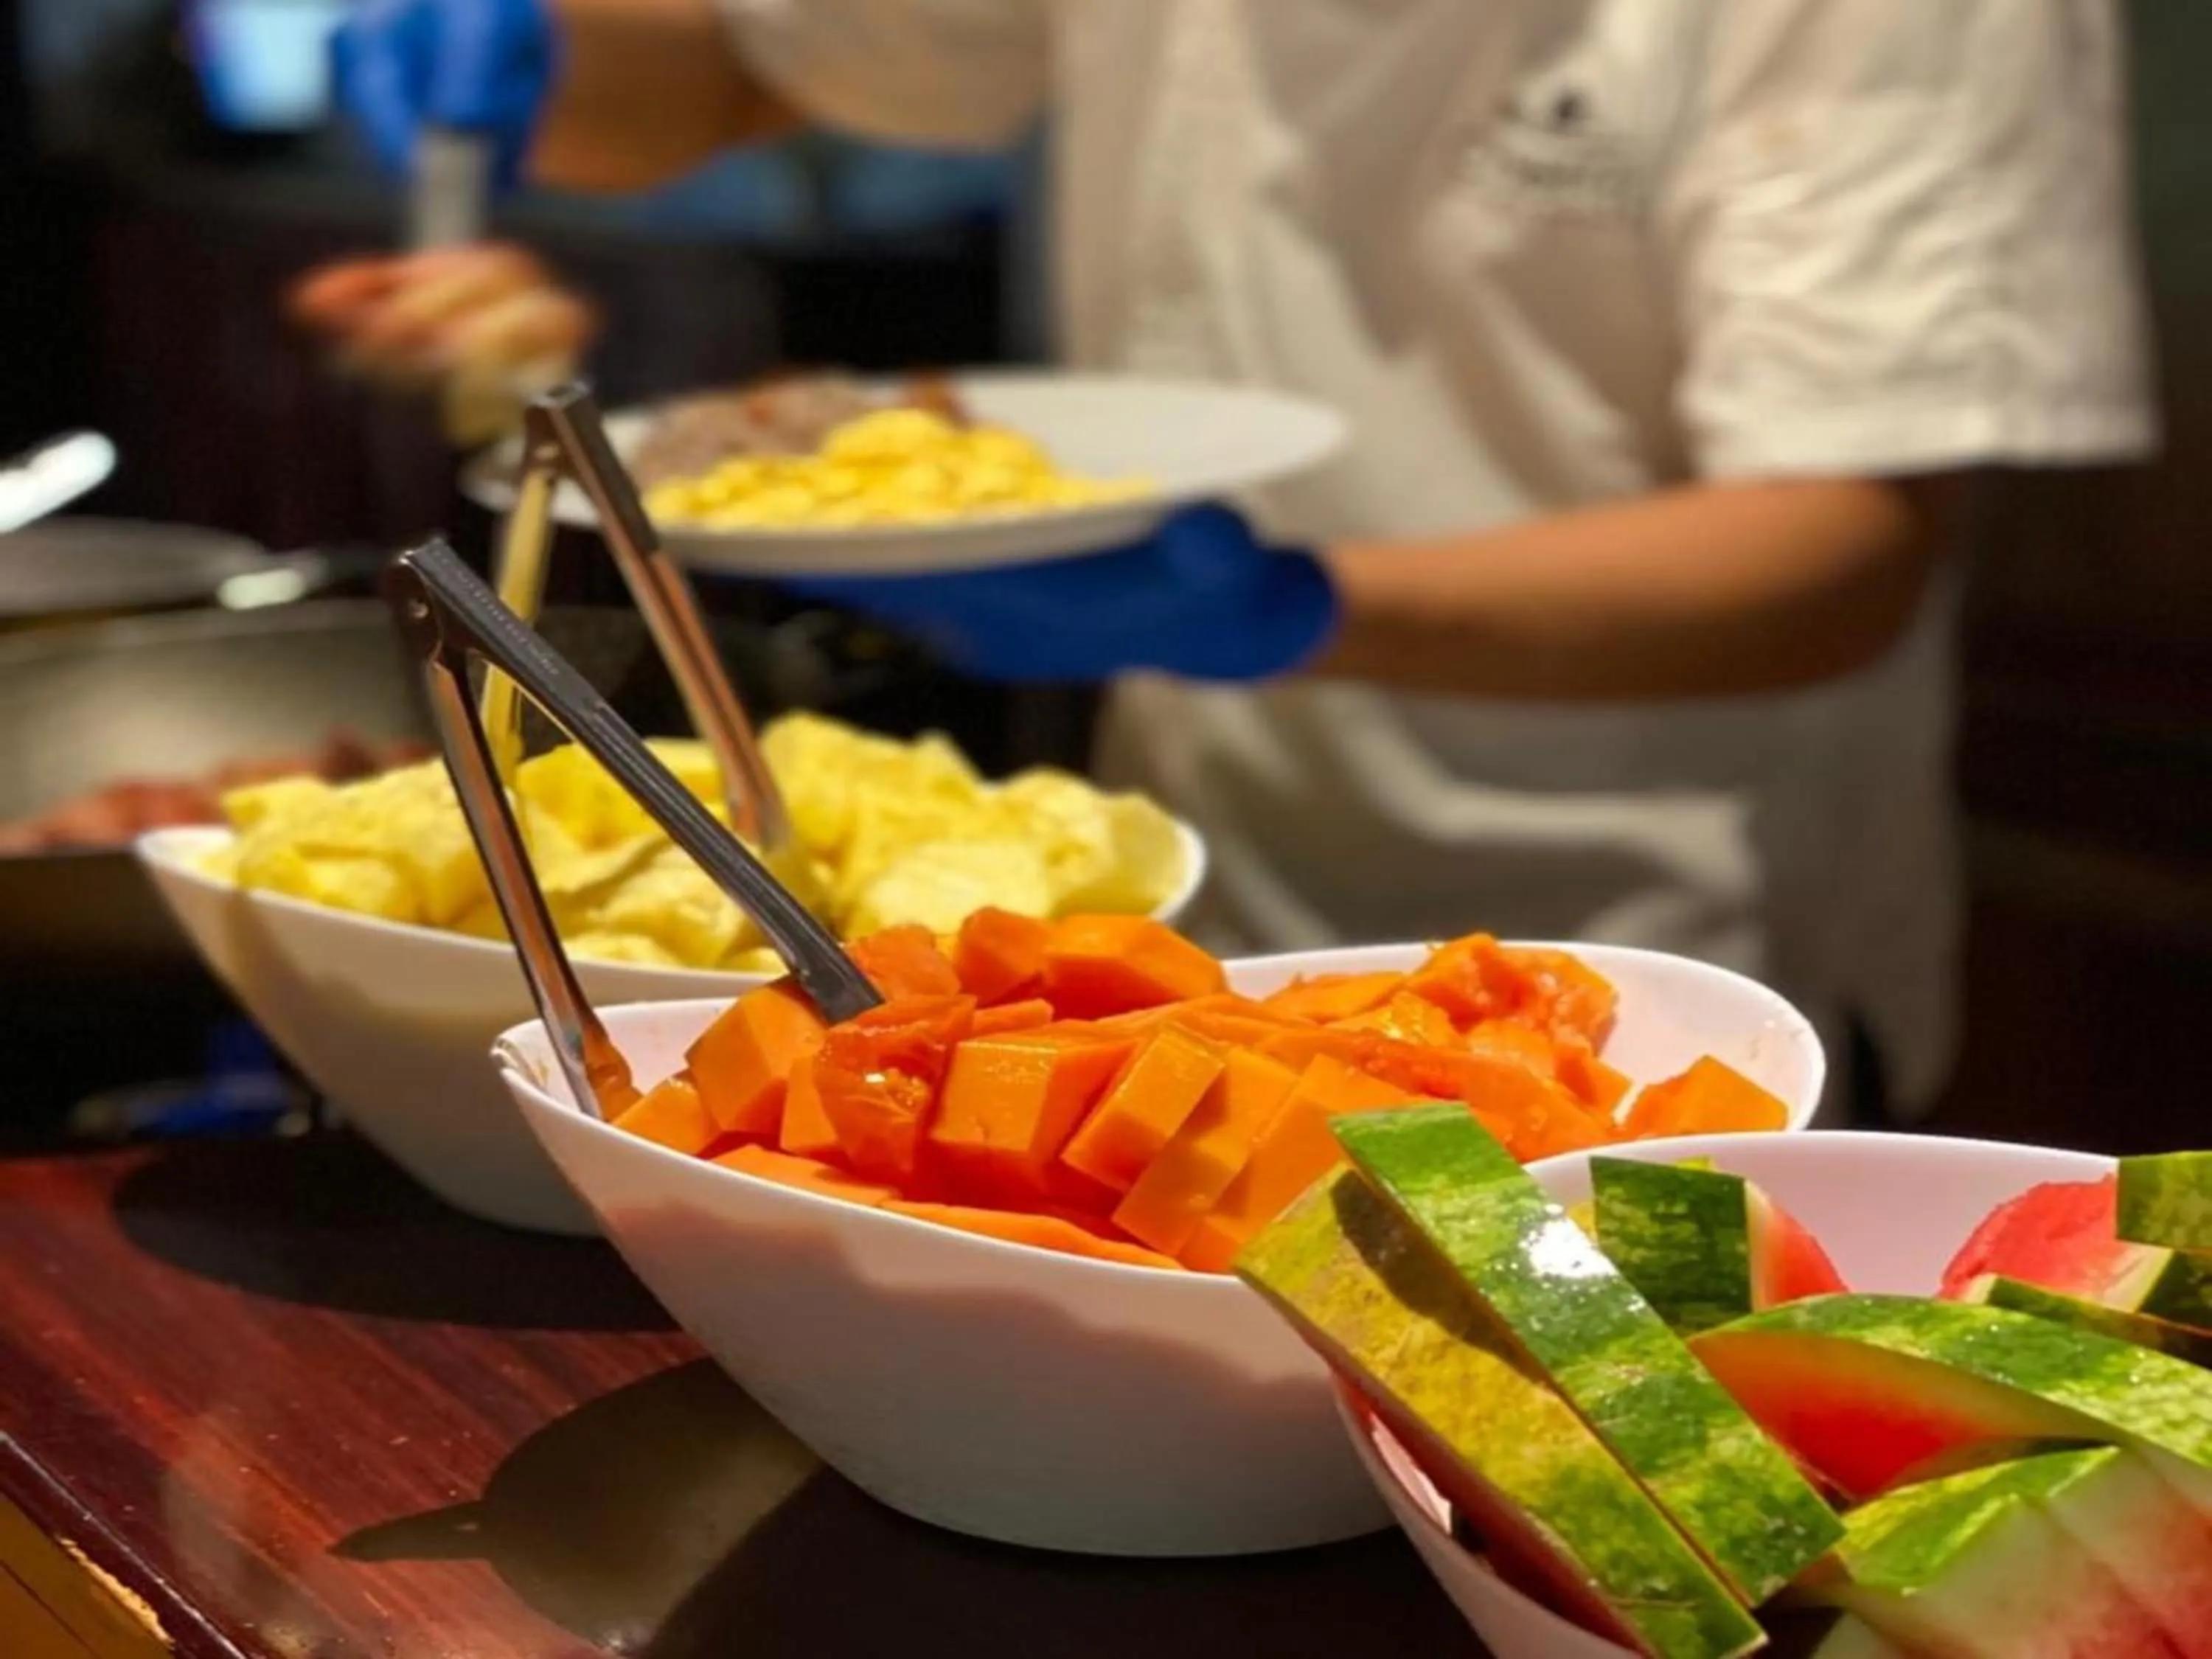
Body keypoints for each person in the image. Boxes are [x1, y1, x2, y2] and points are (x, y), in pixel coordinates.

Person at [307, 0, 2156, 1125]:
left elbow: (1843, 551)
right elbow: (734, 77)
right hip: (1192, 932)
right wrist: (532, 51)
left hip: (1658, 965)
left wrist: (1291, 610)